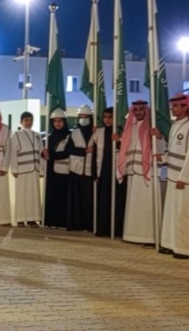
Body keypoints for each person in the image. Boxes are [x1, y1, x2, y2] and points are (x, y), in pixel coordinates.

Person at [157, 93, 189, 259]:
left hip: (186, 181)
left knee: (184, 215)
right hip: (172, 177)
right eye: (172, 106)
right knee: (171, 213)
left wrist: (183, 177)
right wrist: (162, 158)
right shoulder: (175, 126)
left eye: (176, 106)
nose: (173, 109)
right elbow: (172, 150)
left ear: (185, 108)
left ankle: (186, 250)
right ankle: (170, 244)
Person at [116, 100, 160, 246]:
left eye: (142, 109)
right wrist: (119, 140)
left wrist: (158, 137)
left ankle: (148, 238)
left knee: (146, 207)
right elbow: (127, 145)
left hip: (146, 174)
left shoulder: (152, 128)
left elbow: (161, 147)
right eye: (136, 110)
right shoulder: (131, 128)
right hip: (134, 173)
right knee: (133, 205)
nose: (139, 112)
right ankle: (131, 235)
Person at [92, 107, 127, 237]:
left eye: (110, 117)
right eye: (105, 117)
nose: (107, 120)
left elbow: (126, 150)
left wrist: (118, 141)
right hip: (104, 170)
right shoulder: (98, 133)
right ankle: (104, 229)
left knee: (117, 200)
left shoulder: (121, 132)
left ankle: (117, 229)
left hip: (117, 171)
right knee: (104, 200)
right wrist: (95, 174)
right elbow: (95, 154)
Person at [65, 105, 95, 231]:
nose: (83, 119)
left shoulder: (95, 132)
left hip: (89, 171)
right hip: (76, 170)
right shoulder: (74, 133)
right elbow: (69, 149)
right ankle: (76, 224)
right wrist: (84, 151)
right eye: (81, 117)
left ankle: (89, 224)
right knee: (76, 200)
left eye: (86, 117)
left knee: (89, 200)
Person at [10, 111, 43, 227]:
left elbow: (40, 153)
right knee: (21, 194)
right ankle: (20, 219)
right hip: (21, 170)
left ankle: (32, 219)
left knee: (33, 195)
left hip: (34, 170)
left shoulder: (37, 135)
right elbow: (13, 152)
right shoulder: (16, 135)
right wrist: (14, 169)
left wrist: (41, 170)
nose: (29, 122)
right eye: (26, 120)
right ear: (21, 122)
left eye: (30, 120)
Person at [42, 109, 70, 229]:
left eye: (60, 121)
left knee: (62, 198)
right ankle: (50, 221)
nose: (57, 123)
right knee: (51, 197)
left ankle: (62, 222)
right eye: (55, 121)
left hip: (63, 174)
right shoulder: (49, 137)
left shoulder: (69, 136)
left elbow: (67, 152)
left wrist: (51, 156)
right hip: (51, 173)